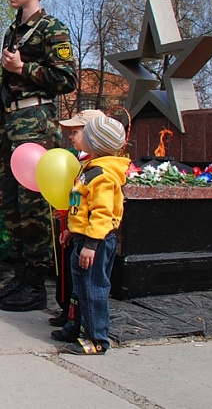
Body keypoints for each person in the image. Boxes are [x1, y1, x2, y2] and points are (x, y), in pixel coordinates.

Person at [0, 0, 77, 312]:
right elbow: (8, 80)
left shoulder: (52, 28)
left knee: (33, 206)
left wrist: (25, 67)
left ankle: (37, 284)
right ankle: (22, 275)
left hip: (36, 124)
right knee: (11, 205)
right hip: (11, 125)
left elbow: (66, 79)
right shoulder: (12, 31)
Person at [56, 116, 130, 355]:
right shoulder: (89, 169)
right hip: (83, 238)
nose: (80, 137)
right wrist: (71, 229)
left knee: (92, 289)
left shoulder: (102, 175)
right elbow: (83, 207)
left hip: (95, 242)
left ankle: (96, 339)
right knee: (80, 288)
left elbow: (102, 213)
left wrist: (91, 244)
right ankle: (76, 327)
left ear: (96, 142)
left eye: (85, 134)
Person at [50, 109, 106, 333]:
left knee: (88, 286)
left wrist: (90, 242)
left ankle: (90, 332)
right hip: (75, 229)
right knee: (73, 280)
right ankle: (71, 317)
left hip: (91, 236)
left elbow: (99, 208)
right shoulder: (81, 163)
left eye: (76, 132)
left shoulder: (100, 169)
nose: (71, 137)